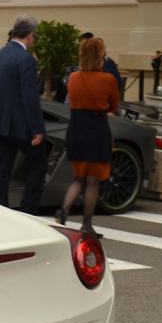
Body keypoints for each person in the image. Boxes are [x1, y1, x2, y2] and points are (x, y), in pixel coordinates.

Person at [0, 15, 47, 212]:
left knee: (3, 166)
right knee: (39, 163)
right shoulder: (25, 58)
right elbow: (29, 96)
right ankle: (29, 209)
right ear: (30, 35)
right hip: (18, 123)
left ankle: (1, 208)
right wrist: (36, 128)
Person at [57, 37, 120, 237]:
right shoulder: (107, 79)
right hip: (97, 132)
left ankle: (63, 210)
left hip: (76, 131)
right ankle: (86, 224)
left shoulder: (73, 78)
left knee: (78, 178)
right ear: (100, 56)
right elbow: (114, 106)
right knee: (93, 182)